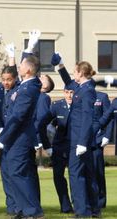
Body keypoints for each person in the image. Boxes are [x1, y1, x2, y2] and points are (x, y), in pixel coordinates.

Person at [0, 53, 44, 218]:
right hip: (15, 139)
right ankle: (22, 208)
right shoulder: (25, 85)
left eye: (21, 65)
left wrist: (2, 138)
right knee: (15, 174)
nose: (18, 67)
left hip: (19, 139)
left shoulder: (29, 88)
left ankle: (32, 211)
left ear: (28, 70)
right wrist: (26, 51)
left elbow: (18, 116)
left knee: (19, 174)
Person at [52, 52, 99, 217]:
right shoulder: (81, 87)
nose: (73, 74)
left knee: (76, 174)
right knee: (87, 174)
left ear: (81, 73)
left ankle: (81, 211)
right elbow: (68, 82)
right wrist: (60, 66)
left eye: (75, 71)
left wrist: (82, 142)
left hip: (79, 140)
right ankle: (94, 209)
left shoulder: (87, 91)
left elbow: (87, 117)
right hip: (79, 138)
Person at [0, 43, 19, 216]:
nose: (6, 83)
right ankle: (11, 206)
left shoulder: (19, 88)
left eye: (9, 80)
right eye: (3, 79)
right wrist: (0, 128)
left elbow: (16, 70)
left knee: (16, 172)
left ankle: (19, 205)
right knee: (6, 172)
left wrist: (12, 56)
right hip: (3, 136)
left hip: (16, 136)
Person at [43, 87, 75, 213]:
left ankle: (79, 204)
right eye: (67, 92)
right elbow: (46, 124)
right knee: (58, 176)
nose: (69, 95)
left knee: (76, 176)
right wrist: (47, 144)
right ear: (64, 92)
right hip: (59, 146)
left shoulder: (80, 105)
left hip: (74, 146)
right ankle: (65, 206)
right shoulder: (56, 105)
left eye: (72, 92)